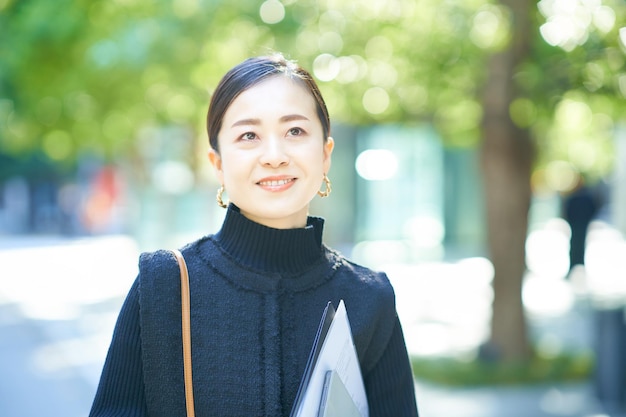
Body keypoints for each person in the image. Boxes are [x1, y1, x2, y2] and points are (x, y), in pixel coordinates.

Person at [89, 53, 419, 417]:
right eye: (249, 135)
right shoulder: (163, 286)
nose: (274, 156)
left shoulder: (370, 299)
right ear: (218, 164)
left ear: (325, 155)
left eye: (295, 131)